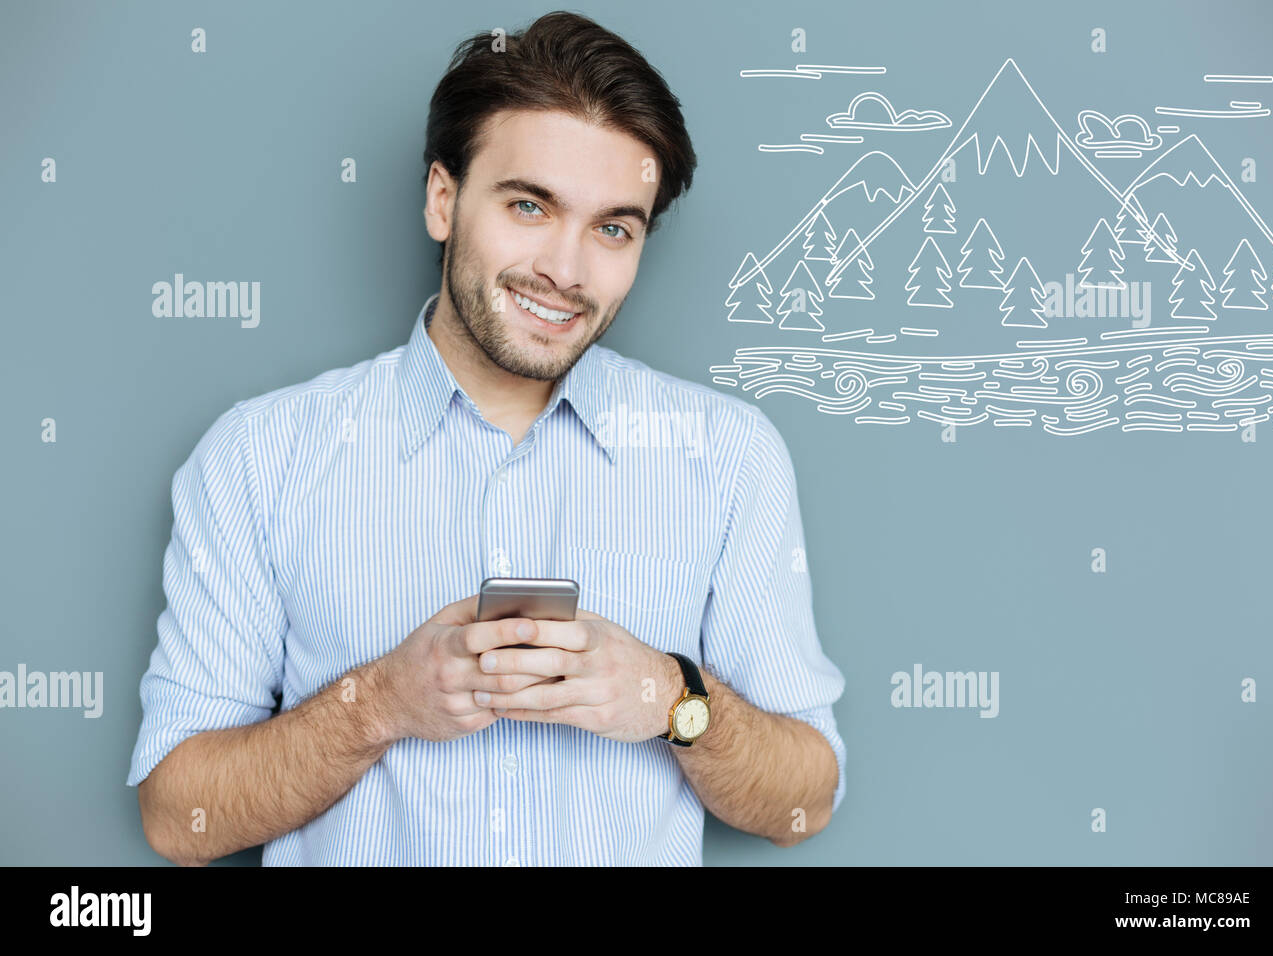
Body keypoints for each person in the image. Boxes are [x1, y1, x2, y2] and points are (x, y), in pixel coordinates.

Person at [128, 10, 846, 866]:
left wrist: (668, 696)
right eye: (530, 205)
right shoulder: (259, 457)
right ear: (443, 199)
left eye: (613, 227)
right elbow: (178, 818)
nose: (567, 270)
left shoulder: (729, 456)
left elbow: (805, 802)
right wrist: (379, 703)